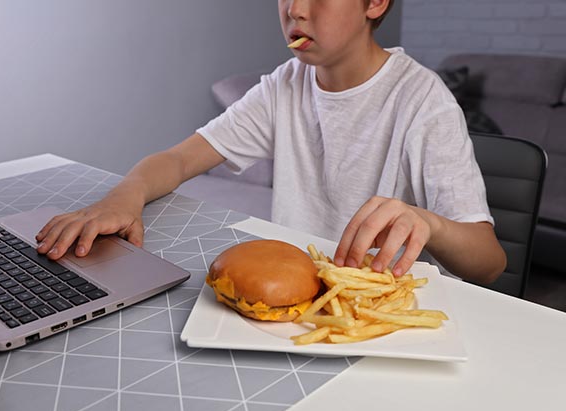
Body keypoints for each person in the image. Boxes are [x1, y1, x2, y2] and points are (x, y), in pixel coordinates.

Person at [36, 0, 506, 284]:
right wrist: (123, 197)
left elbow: (489, 263)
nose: (295, 10)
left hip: (386, 313)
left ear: (375, 3)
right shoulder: (286, 84)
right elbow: (179, 159)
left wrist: (428, 222)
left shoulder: (423, 99)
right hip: (302, 297)